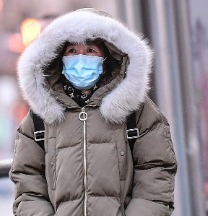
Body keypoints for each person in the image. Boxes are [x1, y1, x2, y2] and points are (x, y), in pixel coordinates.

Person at [9, 8, 177, 215]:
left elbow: (156, 173)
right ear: (59, 57)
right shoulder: (41, 115)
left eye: (90, 50)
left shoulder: (136, 110)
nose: (80, 58)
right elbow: (27, 182)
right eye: (72, 51)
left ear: (107, 56)